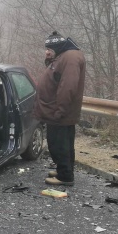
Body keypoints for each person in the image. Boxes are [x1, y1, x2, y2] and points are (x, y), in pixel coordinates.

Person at [35, 31, 86, 186]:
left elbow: (68, 86)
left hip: (60, 112)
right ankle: (65, 170)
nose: (47, 51)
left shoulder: (70, 58)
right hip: (59, 111)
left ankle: (65, 176)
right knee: (64, 143)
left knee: (59, 144)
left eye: (49, 48)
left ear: (57, 46)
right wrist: (50, 59)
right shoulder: (64, 56)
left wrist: (60, 110)